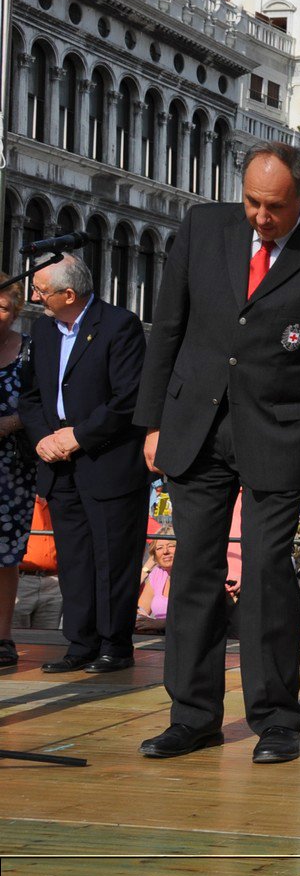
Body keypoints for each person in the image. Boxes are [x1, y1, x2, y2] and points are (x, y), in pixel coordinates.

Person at [133, 141, 300, 762]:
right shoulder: (203, 226)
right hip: (196, 427)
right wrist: (151, 422)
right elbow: (169, 328)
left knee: (267, 573)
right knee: (193, 574)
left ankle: (276, 719)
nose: (260, 216)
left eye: (274, 206)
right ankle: (192, 714)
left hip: (280, 436)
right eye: (252, 202)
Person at [19, 256, 150, 675]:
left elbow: (127, 399)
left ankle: (115, 644)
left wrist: (76, 436)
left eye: (41, 290)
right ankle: (80, 642)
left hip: (105, 460)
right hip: (58, 464)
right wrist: (43, 439)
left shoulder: (119, 325)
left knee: (113, 556)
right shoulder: (42, 329)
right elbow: (31, 394)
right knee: (74, 558)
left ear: (68, 294)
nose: (35, 297)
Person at [0, 281, 34, 668]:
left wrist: (10, 423)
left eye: (5, 308)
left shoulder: (29, 350)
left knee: (5, 556)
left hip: (11, 468)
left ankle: (3, 636)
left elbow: (47, 399)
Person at [15, 497, 62, 635]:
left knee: (48, 638)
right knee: (17, 636)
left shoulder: (61, 500)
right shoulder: (20, 500)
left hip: (54, 582)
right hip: (21, 580)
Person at [137, 534, 176, 633]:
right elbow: (142, 611)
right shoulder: (157, 573)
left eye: (171, 546)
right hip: (162, 640)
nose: (165, 551)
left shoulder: (193, 574)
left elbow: (197, 615)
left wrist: (162, 624)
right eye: (159, 548)